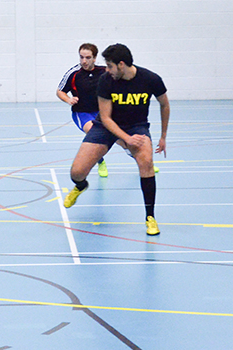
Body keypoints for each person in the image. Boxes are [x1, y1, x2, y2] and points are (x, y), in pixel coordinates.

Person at [63, 43, 170, 236]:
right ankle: (81, 185)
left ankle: (150, 217)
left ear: (121, 64)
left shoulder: (150, 79)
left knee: (146, 163)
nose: (107, 69)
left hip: (136, 126)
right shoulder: (106, 80)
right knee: (76, 172)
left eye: (110, 65)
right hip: (105, 127)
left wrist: (163, 137)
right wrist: (127, 139)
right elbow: (105, 118)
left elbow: (164, 104)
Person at [57, 43, 110, 177]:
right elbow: (60, 91)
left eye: (88, 57)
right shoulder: (74, 73)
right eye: (81, 57)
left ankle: (143, 162)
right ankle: (101, 162)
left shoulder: (104, 71)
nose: (84, 61)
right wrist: (68, 99)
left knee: (122, 139)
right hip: (82, 113)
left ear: (95, 58)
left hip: (102, 112)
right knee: (93, 133)